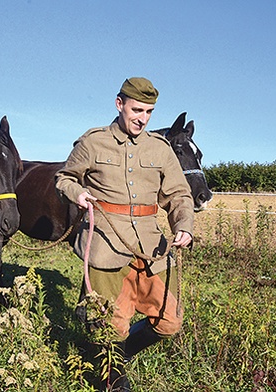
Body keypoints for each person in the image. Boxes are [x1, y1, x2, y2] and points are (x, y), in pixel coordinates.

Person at [55, 77, 194, 391]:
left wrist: (183, 224)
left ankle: (123, 353)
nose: (142, 118)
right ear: (120, 104)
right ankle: (112, 374)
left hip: (151, 249)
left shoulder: (160, 149)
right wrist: (76, 192)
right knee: (109, 326)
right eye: (136, 109)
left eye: (148, 112)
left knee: (170, 321)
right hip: (105, 245)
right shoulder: (93, 142)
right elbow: (64, 177)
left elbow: (179, 195)